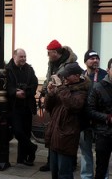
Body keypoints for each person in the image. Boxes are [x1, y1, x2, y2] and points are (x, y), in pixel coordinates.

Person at [44, 62, 91, 179]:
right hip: (55, 133)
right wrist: (50, 94)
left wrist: (60, 88)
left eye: (67, 76)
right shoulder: (63, 89)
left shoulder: (82, 91)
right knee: (54, 171)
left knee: (64, 173)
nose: (64, 78)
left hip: (67, 136)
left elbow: (73, 105)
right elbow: (48, 107)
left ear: (76, 76)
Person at [39, 39, 78, 172]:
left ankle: (70, 162)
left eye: (49, 53)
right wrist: (44, 90)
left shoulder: (70, 63)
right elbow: (48, 77)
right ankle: (51, 162)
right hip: (53, 98)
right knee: (52, 131)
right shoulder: (52, 62)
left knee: (65, 133)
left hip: (65, 100)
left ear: (55, 52)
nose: (47, 55)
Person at [5, 48, 39, 166]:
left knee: (26, 132)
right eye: (21, 57)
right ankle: (32, 147)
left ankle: (24, 158)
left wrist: (26, 92)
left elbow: (34, 84)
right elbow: (6, 86)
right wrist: (14, 92)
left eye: (25, 56)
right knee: (18, 131)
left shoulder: (29, 69)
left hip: (27, 105)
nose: (24, 59)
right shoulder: (7, 70)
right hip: (14, 106)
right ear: (14, 57)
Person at [80, 50, 108, 179]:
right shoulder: (81, 76)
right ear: (85, 61)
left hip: (101, 120)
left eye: (97, 58)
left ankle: (103, 176)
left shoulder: (105, 75)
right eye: (92, 58)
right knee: (86, 151)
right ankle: (87, 176)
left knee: (103, 152)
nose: (95, 60)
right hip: (84, 120)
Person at [87, 58, 112, 179]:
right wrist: (107, 117)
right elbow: (90, 110)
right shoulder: (98, 87)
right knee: (101, 168)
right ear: (108, 70)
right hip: (103, 133)